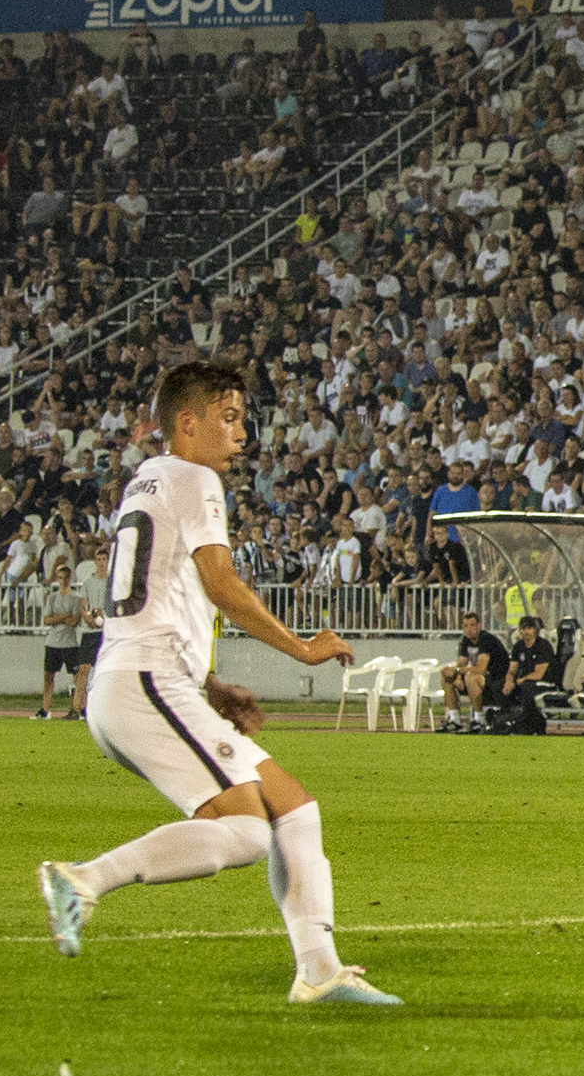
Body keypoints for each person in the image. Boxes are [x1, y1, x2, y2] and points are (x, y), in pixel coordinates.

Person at [37, 362, 398, 1005]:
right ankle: (83, 879)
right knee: (247, 832)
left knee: (294, 810)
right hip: (145, 683)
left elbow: (165, 597)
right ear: (188, 423)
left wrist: (208, 683)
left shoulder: (145, 480)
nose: (241, 435)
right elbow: (220, 582)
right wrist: (301, 648)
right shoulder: (195, 477)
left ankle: (318, 972)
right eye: (228, 419)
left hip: (143, 681)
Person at [440, 610, 506, 732]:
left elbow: (481, 669)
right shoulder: (465, 640)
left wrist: (458, 670)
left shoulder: (486, 640)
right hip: (480, 680)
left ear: (478, 626)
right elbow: (461, 663)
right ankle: (454, 720)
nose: (469, 629)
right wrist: (454, 672)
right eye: (466, 626)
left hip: (496, 680)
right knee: (447, 677)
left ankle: (478, 720)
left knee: (471, 676)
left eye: (472, 625)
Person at [36, 562, 85, 720]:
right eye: (60, 578)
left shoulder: (76, 598)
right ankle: (45, 709)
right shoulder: (52, 597)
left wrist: (57, 618)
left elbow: (74, 622)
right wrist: (64, 616)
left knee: (77, 677)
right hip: (53, 642)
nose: (63, 581)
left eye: (65, 578)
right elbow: (47, 620)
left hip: (69, 643)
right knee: (48, 676)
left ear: (70, 578)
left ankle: (78, 709)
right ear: (57, 579)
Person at [499, 615, 554, 734]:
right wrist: (509, 681)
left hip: (544, 683)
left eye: (529, 628)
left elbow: (539, 674)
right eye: (523, 629)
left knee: (526, 688)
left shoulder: (543, 646)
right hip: (523, 681)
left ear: (535, 630)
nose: (526, 632)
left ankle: (534, 725)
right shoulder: (518, 646)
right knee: (499, 686)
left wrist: (519, 681)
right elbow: (512, 669)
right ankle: (505, 721)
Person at [73, 548, 109, 719]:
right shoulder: (89, 582)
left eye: (104, 559)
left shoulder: (112, 582)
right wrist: (87, 617)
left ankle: (103, 707)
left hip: (106, 631)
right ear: (94, 561)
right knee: (84, 668)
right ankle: (79, 707)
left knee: (104, 671)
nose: (102, 563)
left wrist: (99, 614)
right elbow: (82, 603)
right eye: (99, 559)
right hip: (90, 630)